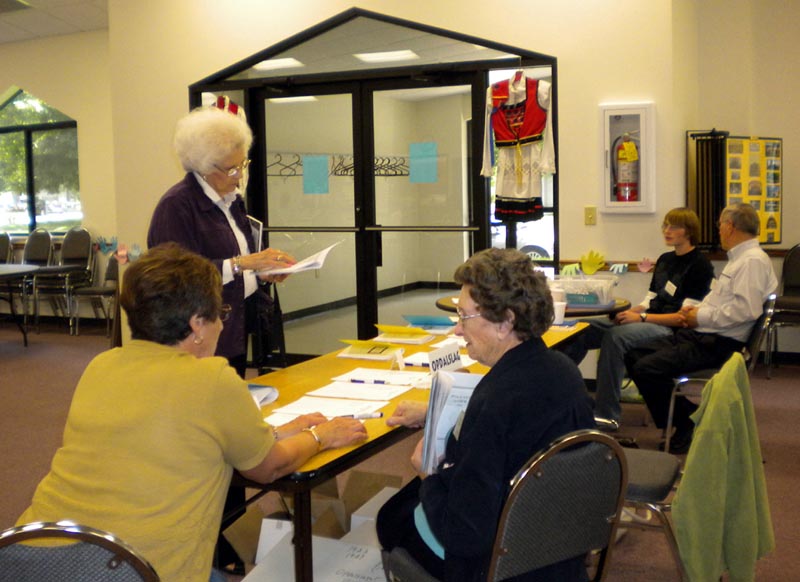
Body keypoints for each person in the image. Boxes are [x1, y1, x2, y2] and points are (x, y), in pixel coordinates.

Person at [16, 244, 368, 582]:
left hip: (29, 556)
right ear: (198, 324)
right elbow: (270, 467)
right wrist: (322, 435)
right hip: (132, 569)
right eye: (220, 315)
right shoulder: (211, 378)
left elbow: (166, 437)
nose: (221, 325)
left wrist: (277, 432)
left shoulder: (102, 365)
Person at [377, 248, 596, 582]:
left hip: (498, 565)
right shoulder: (562, 370)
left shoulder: (494, 400)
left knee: (391, 517)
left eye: (464, 317)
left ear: (504, 323)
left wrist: (429, 476)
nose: (457, 331)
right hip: (559, 549)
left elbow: (464, 535)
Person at [148, 105, 295, 378]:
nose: (239, 176)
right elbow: (175, 279)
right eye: (231, 169)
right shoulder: (176, 207)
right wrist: (243, 264)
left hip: (233, 325)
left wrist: (262, 271)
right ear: (203, 167)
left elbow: (235, 260)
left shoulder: (231, 201)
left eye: (242, 165)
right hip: (196, 336)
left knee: (233, 397)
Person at [625, 203, 777, 453]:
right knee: (634, 354)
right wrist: (693, 312)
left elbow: (745, 311)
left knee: (646, 368)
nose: (718, 231)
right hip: (705, 334)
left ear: (729, 227)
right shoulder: (742, 259)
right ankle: (691, 418)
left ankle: (686, 424)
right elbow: (722, 299)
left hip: (719, 343)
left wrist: (700, 317)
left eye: (719, 226)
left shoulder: (751, 262)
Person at [563, 208, 714, 423]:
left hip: (670, 329)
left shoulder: (700, 265)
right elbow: (649, 300)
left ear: (689, 231)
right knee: (581, 328)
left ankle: (606, 414)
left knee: (616, 337)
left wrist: (641, 319)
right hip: (648, 320)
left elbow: (683, 318)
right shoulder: (665, 259)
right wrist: (629, 313)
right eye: (665, 225)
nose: (667, 231)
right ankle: (564, 396)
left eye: (674, 226)